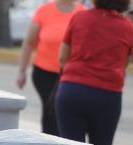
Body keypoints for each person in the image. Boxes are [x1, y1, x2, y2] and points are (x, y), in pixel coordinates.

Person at [55, 0, 133, 145]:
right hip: (108, 95)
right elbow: (124, 64)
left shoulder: (79, 18)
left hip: (73, 91)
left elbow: (62, 57)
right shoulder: (127, 26)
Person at [16, 0, 87, 136]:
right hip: (44, 72)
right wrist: (21, 72)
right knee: (51, 109)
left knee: (65, 111)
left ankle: (63, 142)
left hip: (71, 74)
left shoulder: (82, 12)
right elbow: (29, 43)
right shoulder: (45, 10)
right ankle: (49, 142)